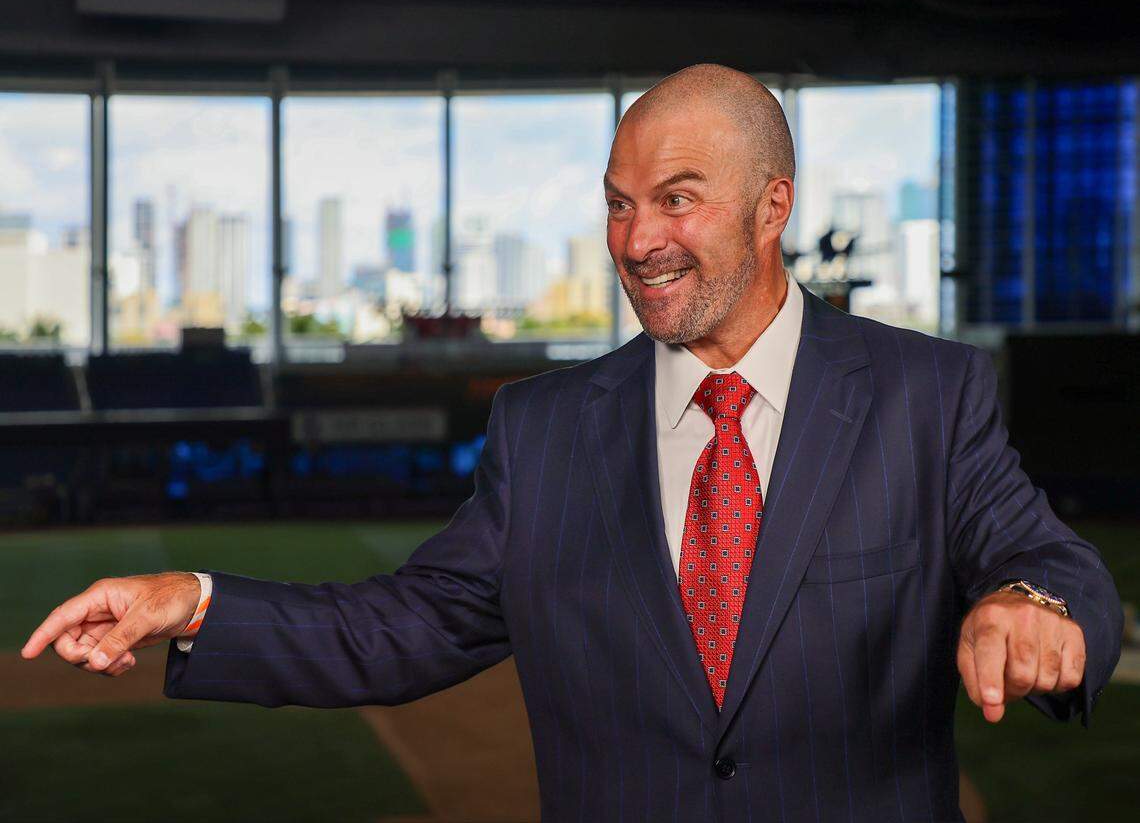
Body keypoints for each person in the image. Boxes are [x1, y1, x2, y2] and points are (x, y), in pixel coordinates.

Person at [23, 64, 1123, 822]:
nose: (638, 241)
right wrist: (194, 600)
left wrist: (1035, 607)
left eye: (677, 200)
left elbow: (1050, 561)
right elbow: (403, 626)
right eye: (618, 204)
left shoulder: (926, 393)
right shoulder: (542, 429)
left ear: (771, 206)